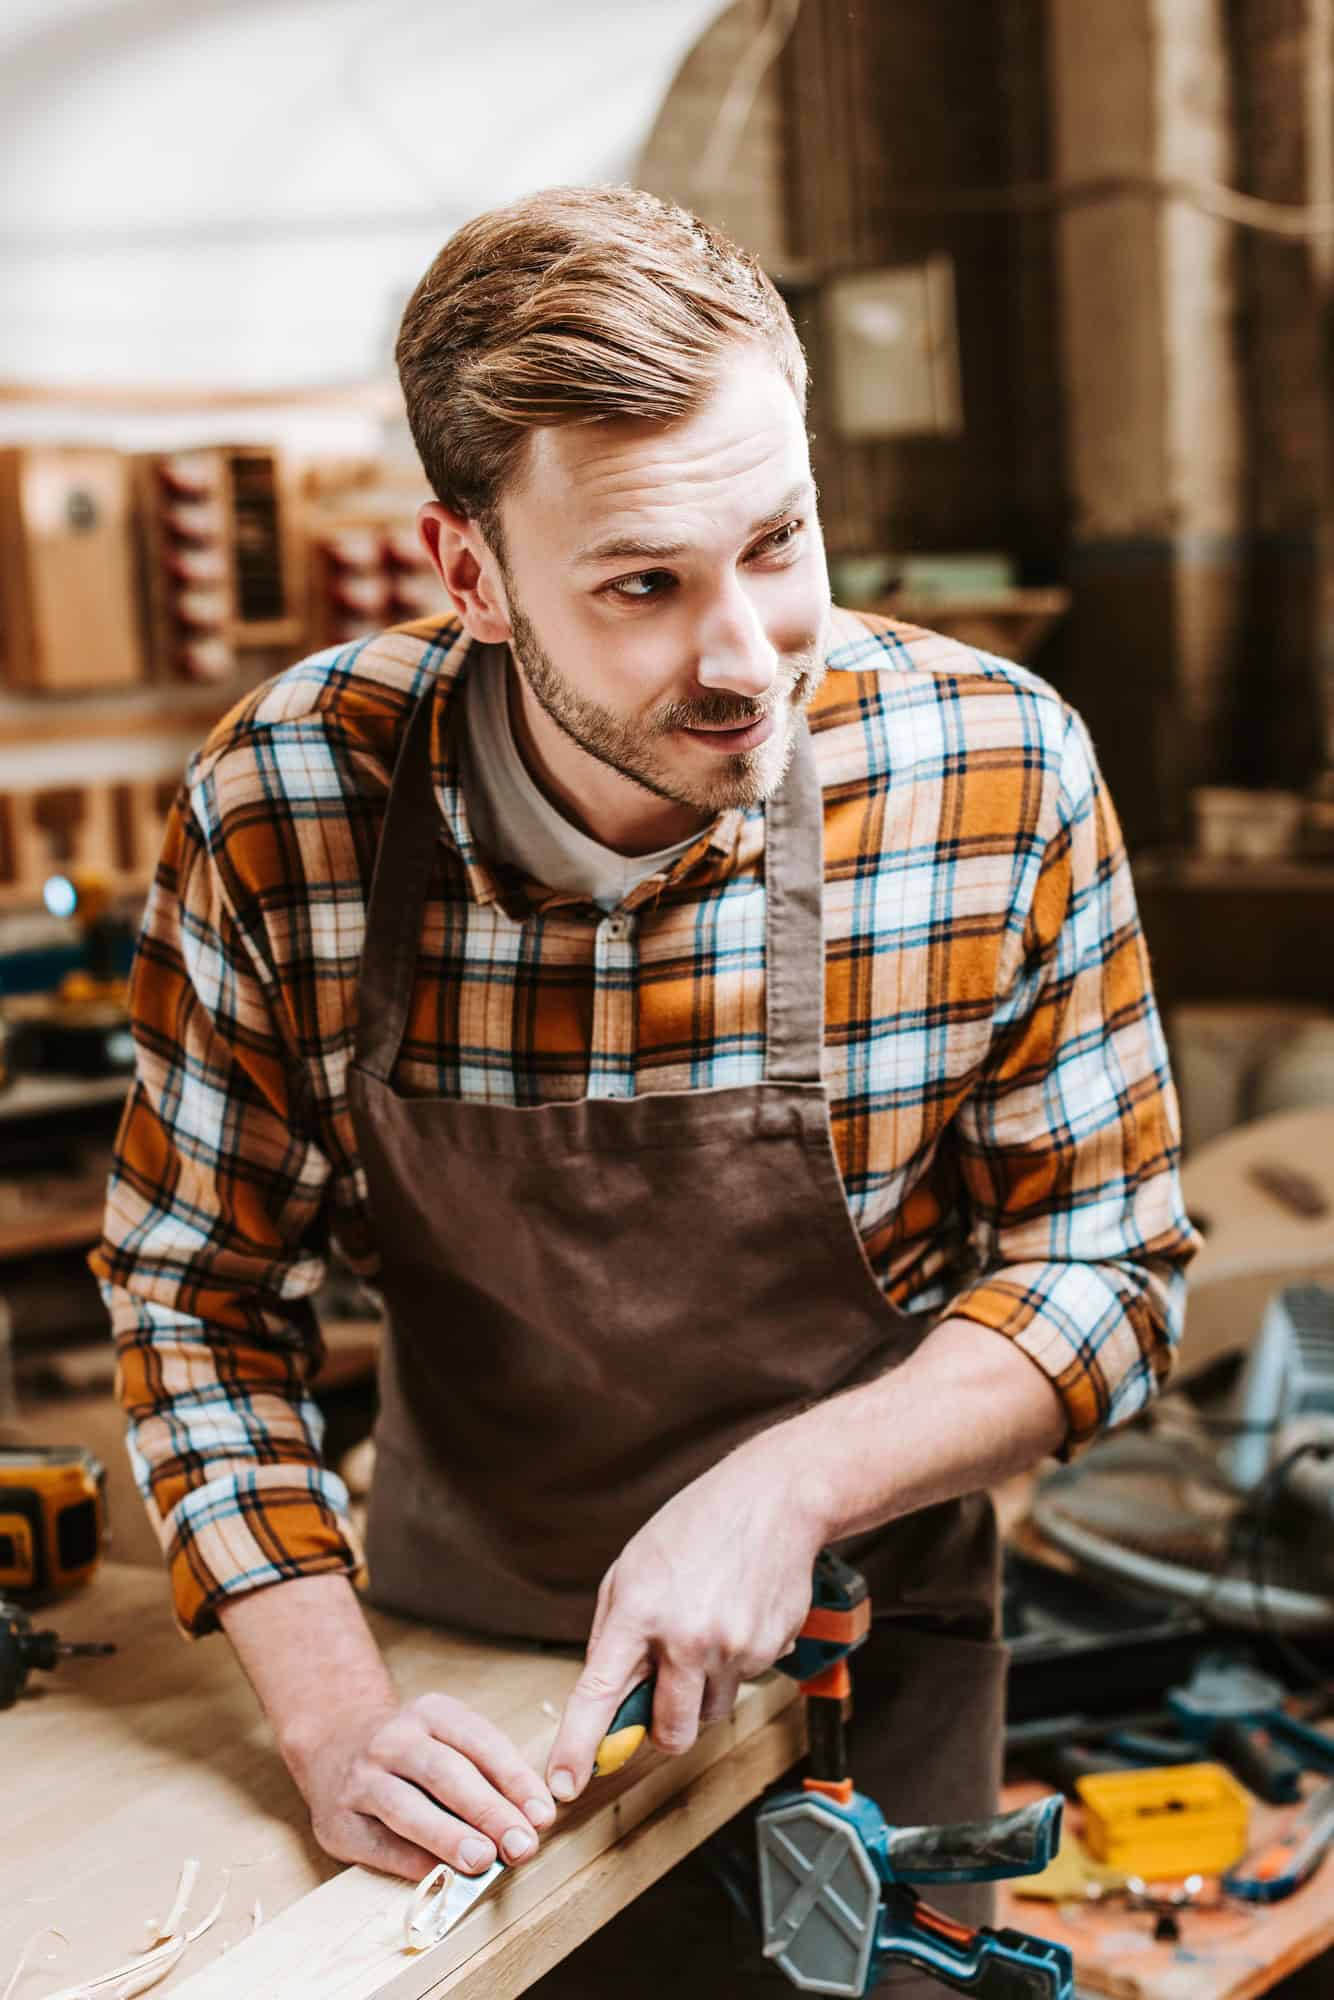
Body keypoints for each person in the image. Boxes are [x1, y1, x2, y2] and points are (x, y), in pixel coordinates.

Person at [94, 185, 1197, 1995]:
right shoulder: (286, 805)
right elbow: (195, 1300)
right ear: (469, 575)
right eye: (642, 585)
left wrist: (787, 1487)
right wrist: (333, 1718)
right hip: (464, 1685)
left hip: (865, 1667)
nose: (746, 658)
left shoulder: (993, 775)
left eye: (777, 541)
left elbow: (1111, 1266)